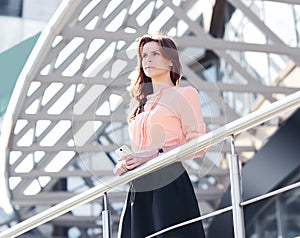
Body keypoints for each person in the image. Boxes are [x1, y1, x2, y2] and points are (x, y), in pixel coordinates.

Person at [115, 33, 206, 238]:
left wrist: (155, 154)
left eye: (155, 54)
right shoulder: (140, 106)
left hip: (169, 181)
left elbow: (199, 145)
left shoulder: (184, 94)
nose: (148, 60)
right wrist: (127, 163)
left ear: (170, 60)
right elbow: (140, 152)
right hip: (139, 186)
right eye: (144, 55)